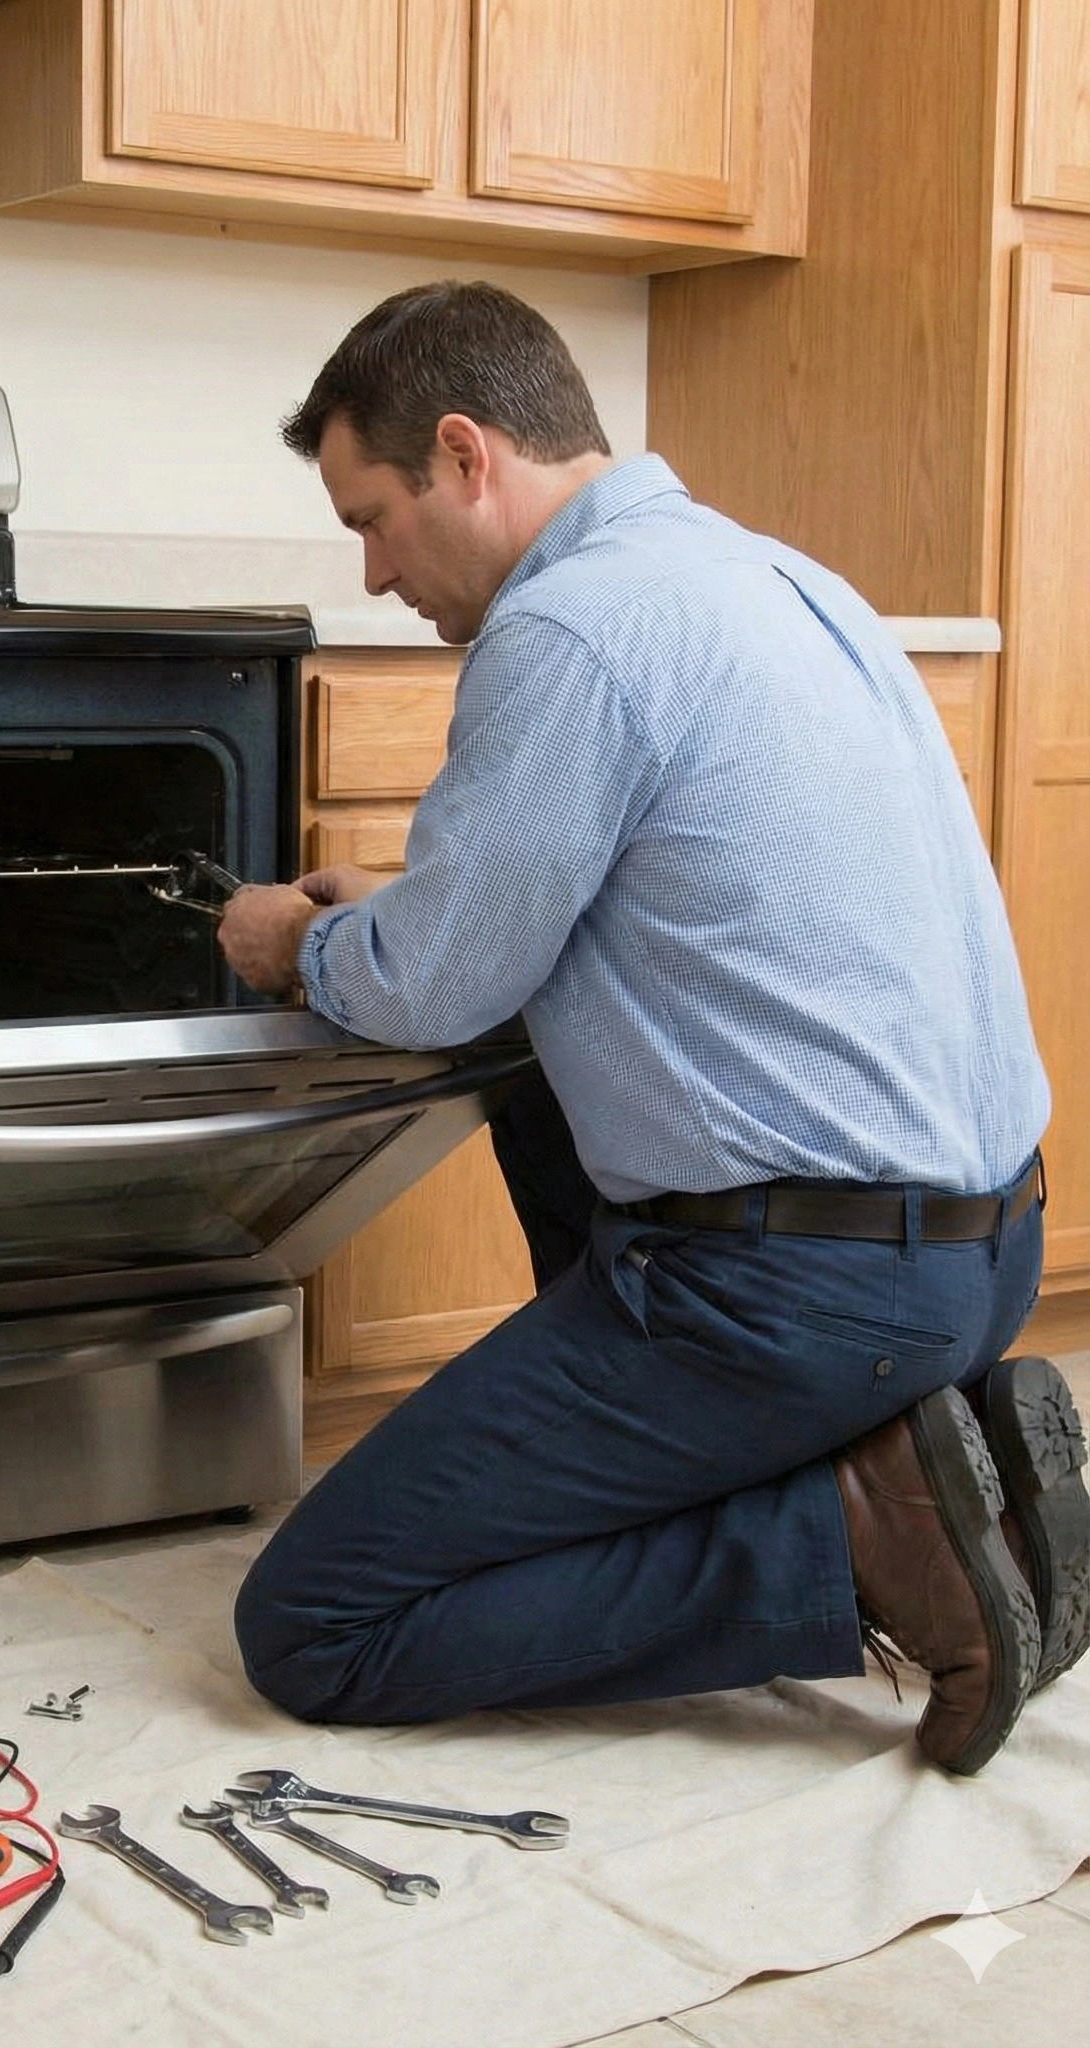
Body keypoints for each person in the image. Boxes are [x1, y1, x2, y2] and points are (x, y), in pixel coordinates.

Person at [218, 279, 1090, 1775]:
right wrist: (415, 915)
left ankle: (861, 1542)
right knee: (523, 1048)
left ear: (465, 454)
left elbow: (430, 993)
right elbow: (640, 918)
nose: (374, 573)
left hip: (802, 1297)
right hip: (983, 1254)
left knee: (314, 1623)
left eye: (373, 518)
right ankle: (896, 1465)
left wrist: (299, 946)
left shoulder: (568, 628)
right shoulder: (773, 576)